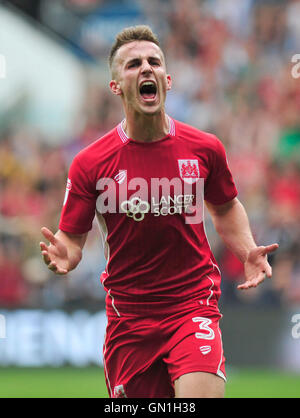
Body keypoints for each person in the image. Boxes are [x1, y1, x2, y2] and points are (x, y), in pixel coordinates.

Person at [40, 25, 278, 398]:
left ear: (167, 80)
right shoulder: (90, 163)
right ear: (116, 86)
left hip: (192, 304)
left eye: (154, 61)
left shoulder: (205, 148)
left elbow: (226, 206)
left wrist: (247, 249)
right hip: (129, 319)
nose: (146, 68)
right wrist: (65, 257)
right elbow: (72, 239)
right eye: (134, 64)